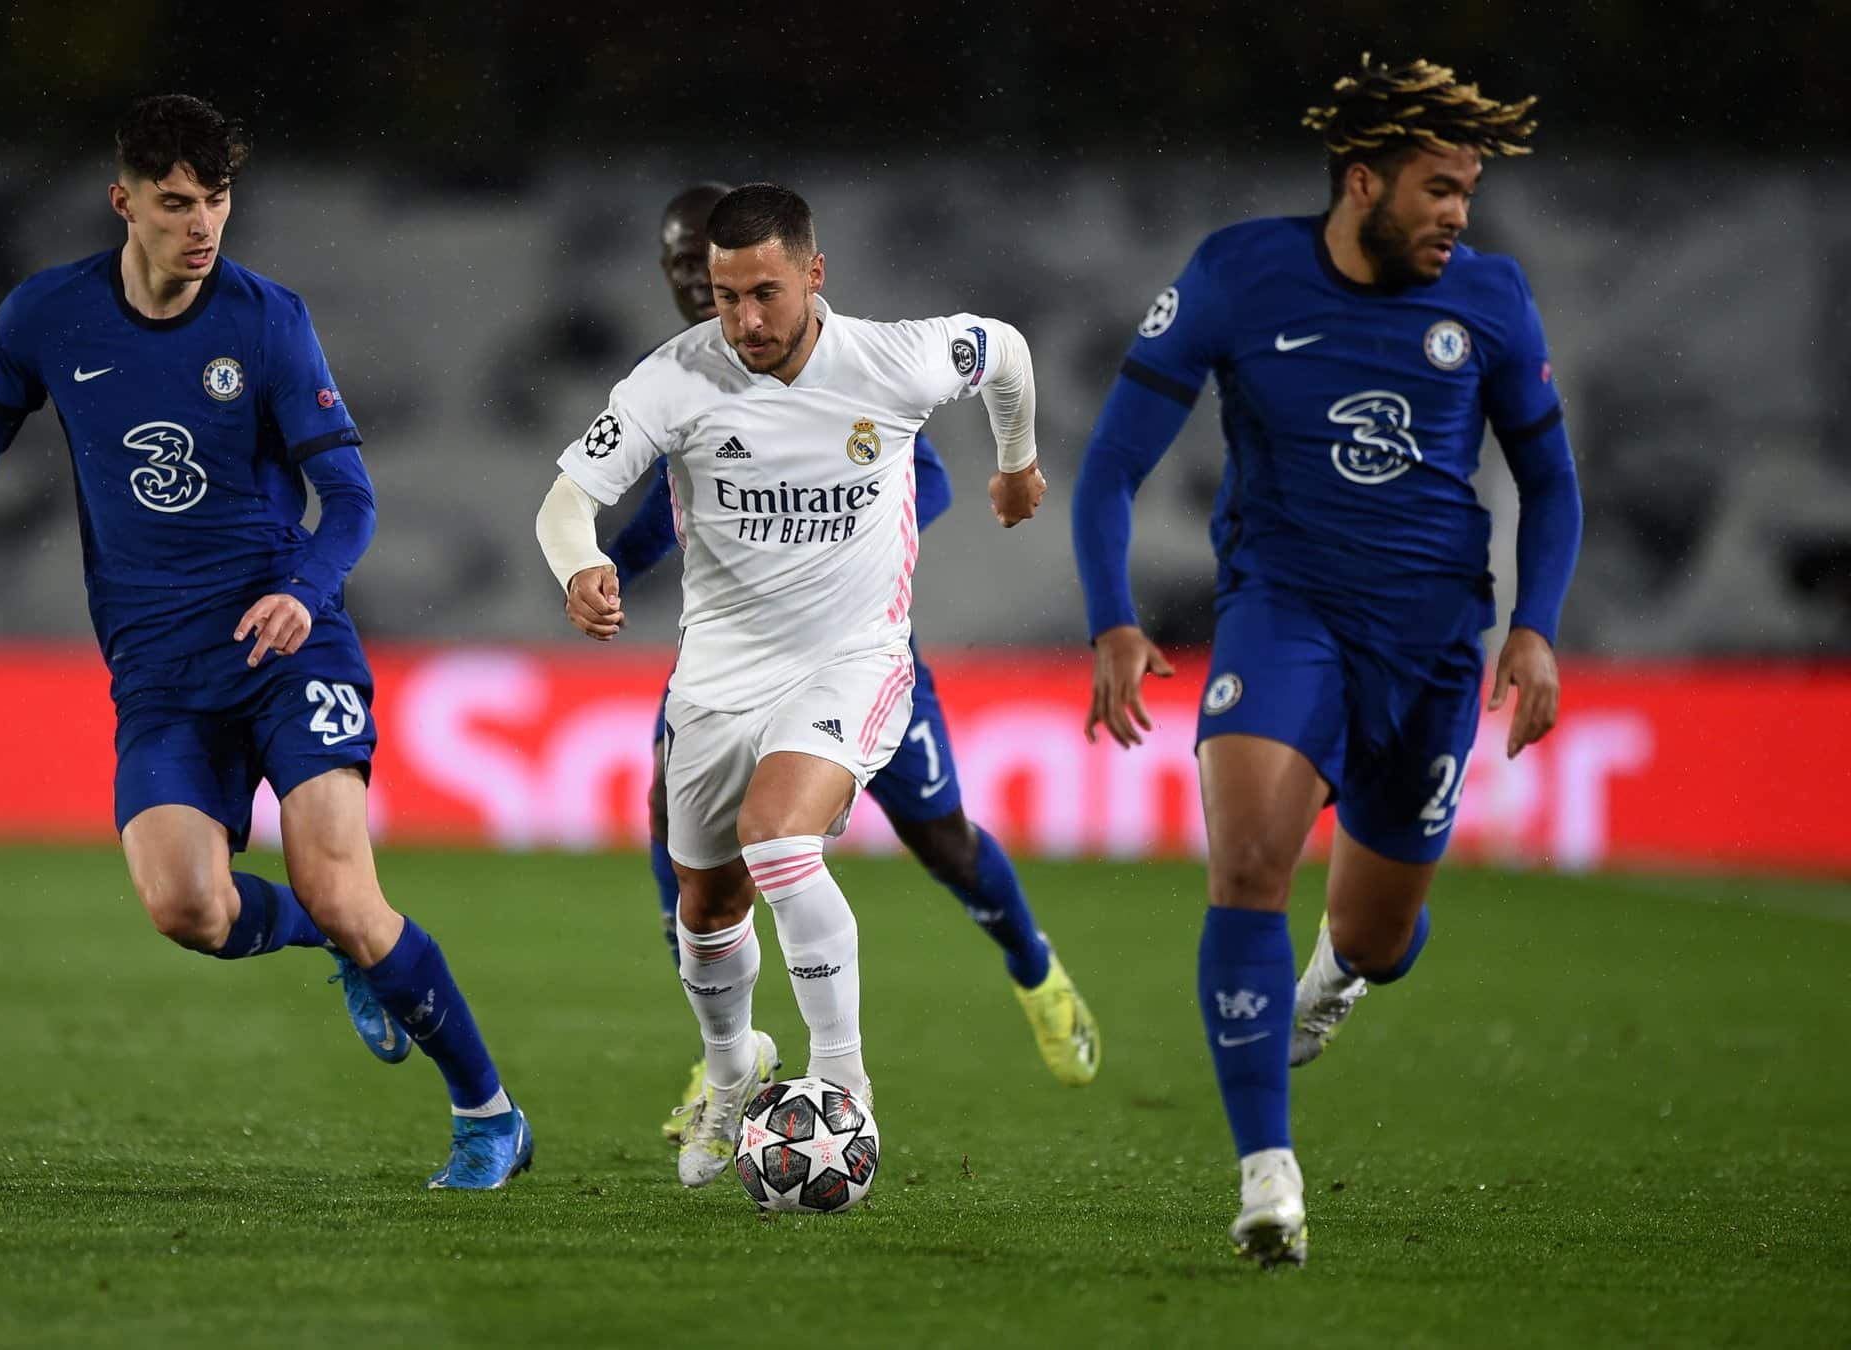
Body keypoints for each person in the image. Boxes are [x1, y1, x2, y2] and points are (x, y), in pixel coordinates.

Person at [0, 94, 530, 1190]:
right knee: (186, 906)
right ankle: (338, 951)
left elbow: (351, 495)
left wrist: (305, 589)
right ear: (123, 202)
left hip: (291, 646)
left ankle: (487, 1115)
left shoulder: (266, 321)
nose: (202, 225)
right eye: (177, 203)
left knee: (340, 882)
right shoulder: (47, 317)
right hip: (160, 673)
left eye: (218, 200)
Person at [1070, 55, 1581, 1266]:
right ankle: (1267, 1173)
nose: (1458, 214)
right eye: (1437, 188)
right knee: (1247, 862)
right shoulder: (1237, 273)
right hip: (1281, 610)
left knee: (1381, 934)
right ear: (1362, 182)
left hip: (1430, 643)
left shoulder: (1495, 303)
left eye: (1466, 190)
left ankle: (1338, 975)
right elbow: (1108, 466)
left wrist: (1536, 622)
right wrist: (1113, 615)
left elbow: (1548, 478)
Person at [536, 182, 1047, 1187]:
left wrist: (1016, 463)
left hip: (850, 659)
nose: (744, 322)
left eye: (764, 293)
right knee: (705, 905)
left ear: (814, 275)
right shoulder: (671, 379)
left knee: (778, 837)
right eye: (725, 299)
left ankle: (841, 1085)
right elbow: (566, 503)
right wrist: (578, 567)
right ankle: (732, 1073)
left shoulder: (893, 358)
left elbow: (1006, 350)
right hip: (718, 680)